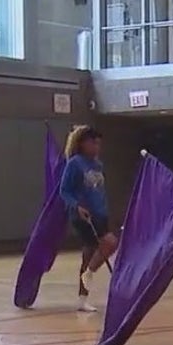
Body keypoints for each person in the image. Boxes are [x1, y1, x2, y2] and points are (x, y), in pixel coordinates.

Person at [59, 126, 118, 313]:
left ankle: (82, 299)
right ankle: (90, 273)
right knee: (111, 242)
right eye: (93, 143)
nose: (96, 147)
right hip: (84, 215)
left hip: (100, 214)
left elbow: (99, 191)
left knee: (88, 255)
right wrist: (77, 206)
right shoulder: (75, 164)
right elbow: (64, 190)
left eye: (99, 144)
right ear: (82, 143)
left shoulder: (97, 165)